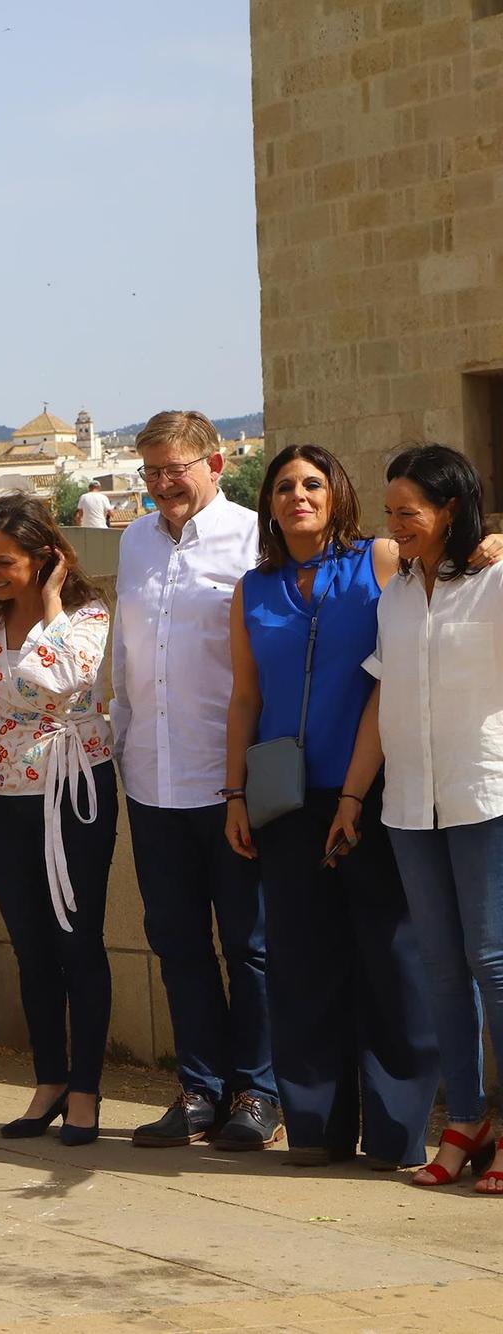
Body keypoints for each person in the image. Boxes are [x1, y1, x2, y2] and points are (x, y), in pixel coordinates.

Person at [221, 445, 441, 1166]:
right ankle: (314, 1126)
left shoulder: (377, 561)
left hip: (376, 791)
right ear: (269, 503)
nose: (297, 495)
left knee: (391, 957)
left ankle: (396, 1134)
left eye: (312, 482)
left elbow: (449, 581)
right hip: (285, 796)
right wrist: (233, 794)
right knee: (301, 963)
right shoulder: (253, 590)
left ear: (335, 492)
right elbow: (246, 696)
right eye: (284, 486)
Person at [112, 410, 277, 1149]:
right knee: (177, 943)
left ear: (214, 463)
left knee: (250, 946)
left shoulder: (254, 536)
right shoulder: (134, 540)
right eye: (150, 473)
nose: (162, 485)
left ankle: (259, 1092)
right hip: (151, 778)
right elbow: (123, 657)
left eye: (174, 469)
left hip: (229, 779)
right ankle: (200, 1090)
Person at [356, 444, 503, 1189]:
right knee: (443, 968)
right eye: (389, 513)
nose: (394, 527)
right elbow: (384, 696)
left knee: (495, 962)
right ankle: (468, 1117)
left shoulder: (498, 581)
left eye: (408, 513)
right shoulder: (393, 595)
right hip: (410, 805)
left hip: (485, 794)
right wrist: (356, 798)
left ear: (450, 509)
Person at [0, 496, 116, 1146]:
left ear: (45, 557)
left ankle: (84, 1091)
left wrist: (50, 603)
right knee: (30, 946)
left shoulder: (88, 612)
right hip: (2, 789)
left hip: (73, 788)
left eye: (7, 562)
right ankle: (48, 1080)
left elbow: (68, 680)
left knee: (77, 941)